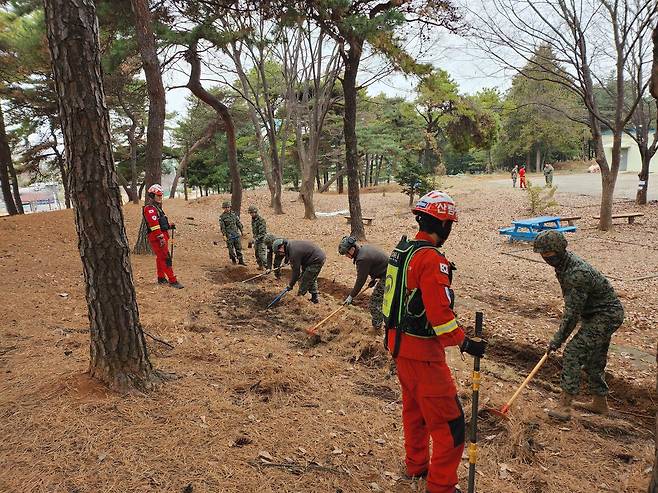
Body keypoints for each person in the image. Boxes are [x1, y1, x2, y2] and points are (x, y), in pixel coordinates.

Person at [382, 190, 486, 493]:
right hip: (424, 356)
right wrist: (465, 342)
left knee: (414, 413)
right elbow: (439, 313)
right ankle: (441, 486)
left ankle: (416, 467)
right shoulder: (431, 259)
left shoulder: (402, 251)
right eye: (449, 225)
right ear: (442, 225)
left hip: (399, 349)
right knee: (451, 425)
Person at [533, 230, 624, 421]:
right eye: (542, 254)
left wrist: (558, 340)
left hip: (606, 315)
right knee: (594, 358)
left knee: (572, 353)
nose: (545, 258)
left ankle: (564, 407)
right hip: (595, 314)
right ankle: (600, 403)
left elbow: (572, 314)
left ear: (559, 250)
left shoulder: (577, 273)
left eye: (548, 254)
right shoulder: (563, 264)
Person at [338, 236, 388, 332]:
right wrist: (374, 279)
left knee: (375, 302)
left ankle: (377, 329)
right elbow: (376, 264)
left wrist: (351, 296)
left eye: (346, 253)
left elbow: (360, 280)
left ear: (352, 249)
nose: (346, 256)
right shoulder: (363, 249)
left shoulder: (362, 259)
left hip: (389, 276)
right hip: (386, 274)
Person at [142, 184, 183, 289]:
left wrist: (169, 226)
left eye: (161, 195)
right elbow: (154, 225)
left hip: (162, 235)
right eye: (158, 195)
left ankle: (161, 278)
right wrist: (160, 238)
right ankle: (173, 280)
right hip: (157, 237)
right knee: (165, 258)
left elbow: (160, 223)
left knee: (160, 258)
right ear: (152, 196)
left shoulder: (157, 208)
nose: (160, 198)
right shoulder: (150, 209)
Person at [273, 238, 325, 304]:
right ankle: (315, 298)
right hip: (310, 259)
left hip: (316, 260)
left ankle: (299, 299)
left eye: (279, 252)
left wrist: (290, 285)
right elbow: (288, 256)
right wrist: (286, 262)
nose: (280, 254)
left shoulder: (293, 252)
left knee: (305, 279)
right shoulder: (289, 246)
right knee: (310, 278)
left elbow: (296, 272)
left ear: (282, 246)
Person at [219, 201, 245, 265]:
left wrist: (242, 231)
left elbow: (238, 223)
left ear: (230, 207)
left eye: (228, 207)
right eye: (225, 208)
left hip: (236, 234)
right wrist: (224, 235)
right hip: (229, 236)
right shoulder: (222, 217)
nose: (227, 209)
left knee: (238, 248)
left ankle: (241, 261)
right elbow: (222, 227)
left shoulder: (234, 214)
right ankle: (233, 261)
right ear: (223, 208)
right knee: (231, 250)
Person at [248, 205, 267, 270]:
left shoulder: (261, 220)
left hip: (261, 240)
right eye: (250, 213)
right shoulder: (253, 220)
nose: (251, 214)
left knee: (262, 255)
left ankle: (267, 268)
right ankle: (260, 266)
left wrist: (255, 239)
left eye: (252, 213)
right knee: (257, 254)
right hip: (256, 240)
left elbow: (262, 233)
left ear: (256, 212)